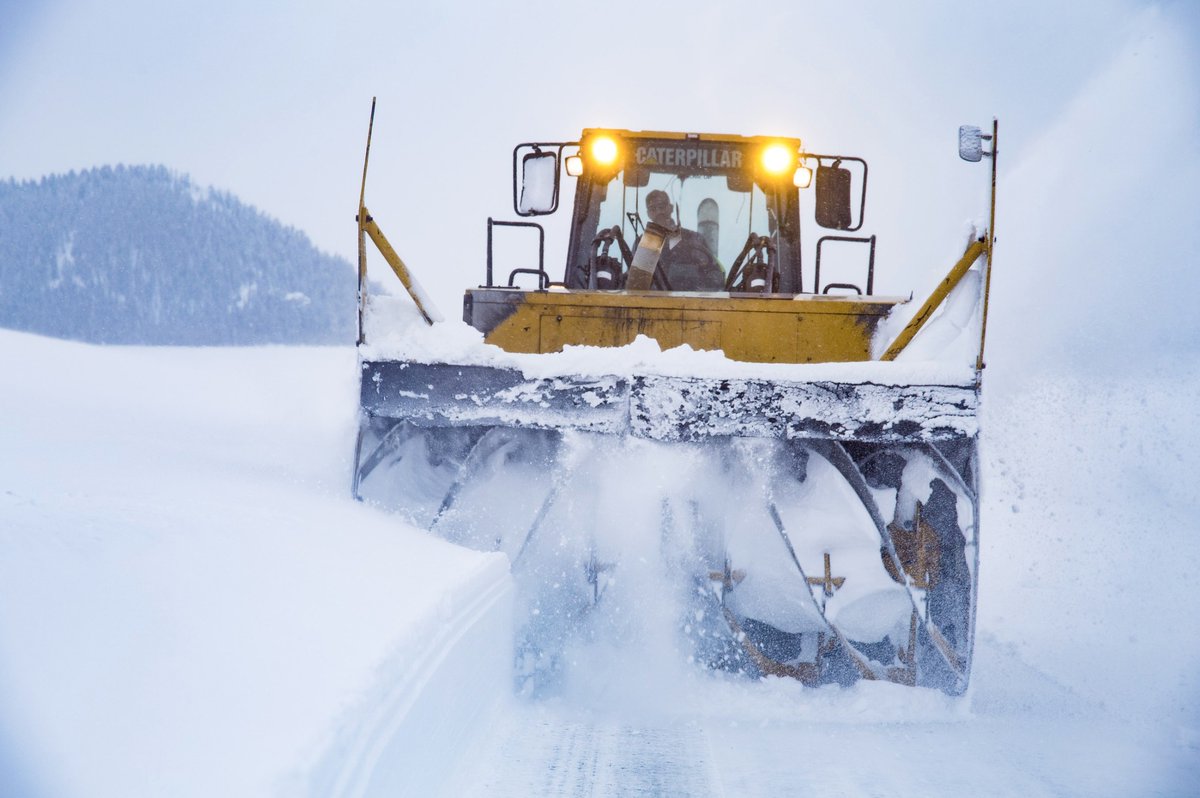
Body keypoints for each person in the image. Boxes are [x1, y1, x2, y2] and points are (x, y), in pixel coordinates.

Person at [641, 189, 724, 291]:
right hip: (649, 304)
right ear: (648, 213)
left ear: (670, 208)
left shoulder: (694, 239)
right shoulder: (642, 244)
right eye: (653, 209)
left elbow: (715, 278)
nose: (658, 212)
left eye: (661, 207)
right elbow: (634, 282)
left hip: (690, 303)